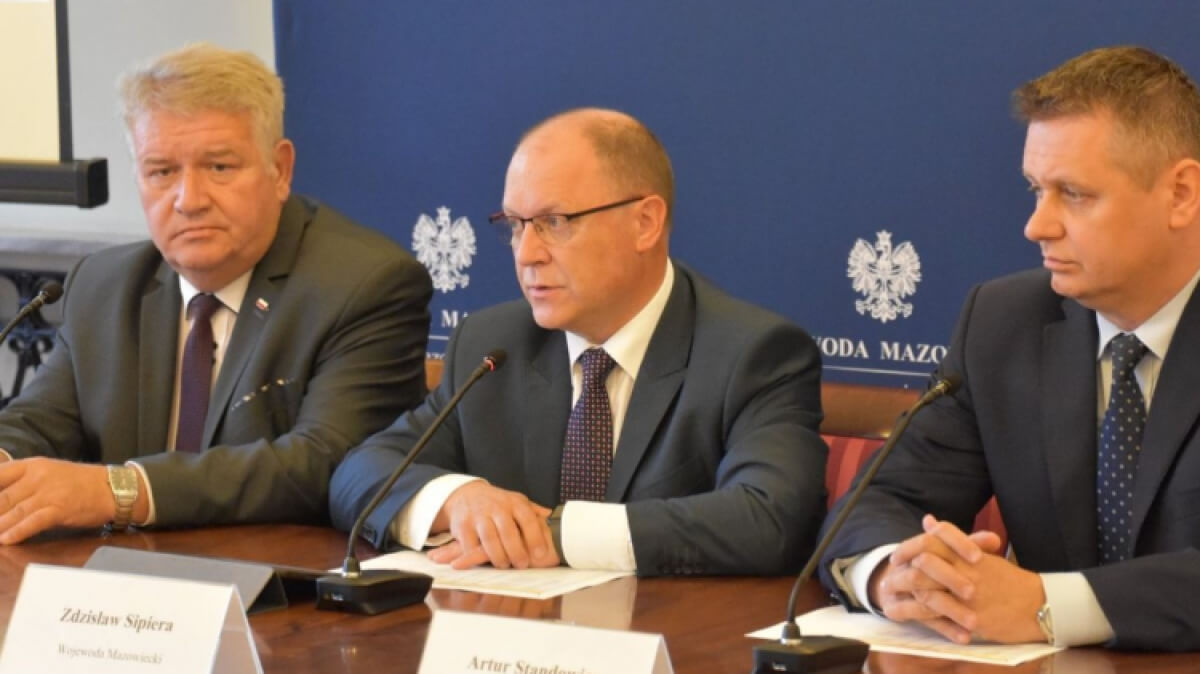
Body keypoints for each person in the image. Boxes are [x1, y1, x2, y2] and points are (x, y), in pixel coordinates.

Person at [330, 108, 827, 575]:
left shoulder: (752, 354)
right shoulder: (493, 344)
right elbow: (361, 471)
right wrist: (456, 500)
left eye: (554, 223)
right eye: (515, 225)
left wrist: (557, 535)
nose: (526, 253)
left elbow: (771, 517)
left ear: (645, 223)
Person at [819, 46, 1200, 651]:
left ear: (1181, 193)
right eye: (1035, 190)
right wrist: (895, 572)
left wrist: (1046, 604)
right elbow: (885, 498)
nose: (1036, 225)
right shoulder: (1005, 323)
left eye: (1074, 193)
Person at [0, 43, 432, 542]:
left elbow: (328, 463)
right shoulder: (104, 285)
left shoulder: (365, 286)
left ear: (280, 170)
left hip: (281, 578)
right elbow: (38, 422)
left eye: (219, 167)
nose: (189, 200)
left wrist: (120, 491)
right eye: (162, 172)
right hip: (120, 578)